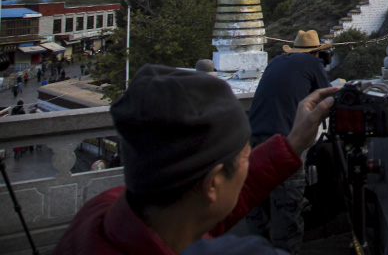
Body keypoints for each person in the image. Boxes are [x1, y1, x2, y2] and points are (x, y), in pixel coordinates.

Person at [53, 64, 337, 255]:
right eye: (246, 156)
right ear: (212, 183)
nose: (247, 166)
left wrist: (292, 143)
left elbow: (231, 191)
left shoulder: (104, 212)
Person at [245, 31, 333, 254]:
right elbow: (328, 96)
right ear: (317, 53)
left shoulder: (276, 62)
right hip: (283, 142)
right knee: (287, 212)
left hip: (251, 139)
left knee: (257, 207)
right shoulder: (313, 63)